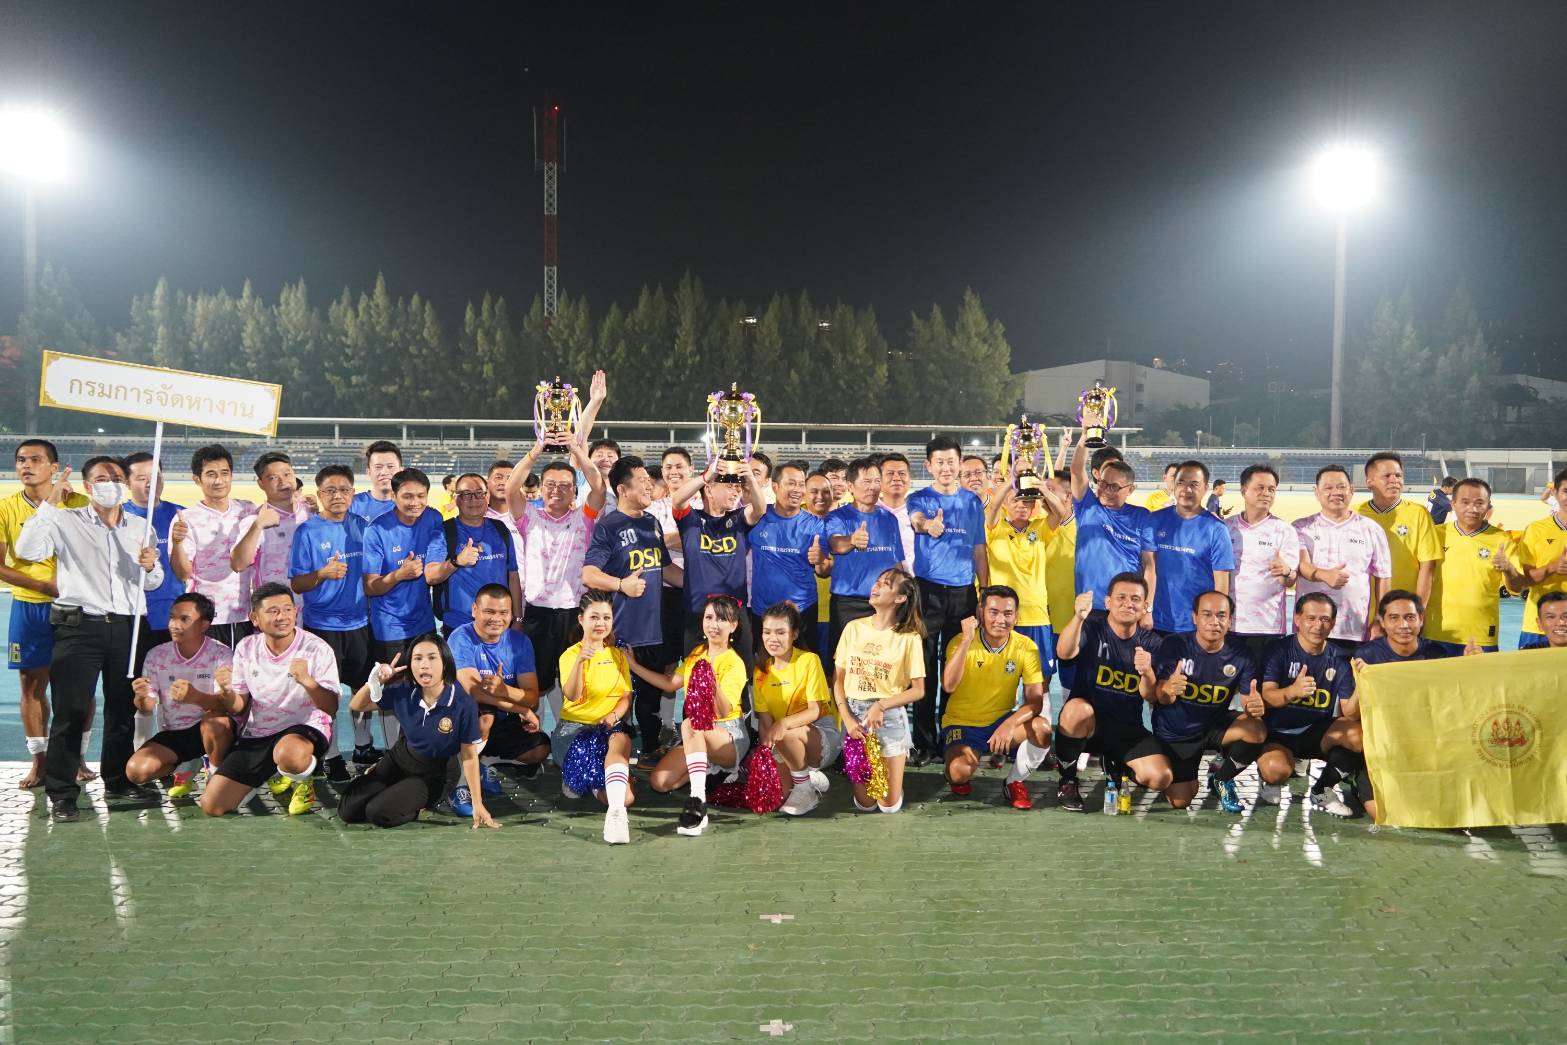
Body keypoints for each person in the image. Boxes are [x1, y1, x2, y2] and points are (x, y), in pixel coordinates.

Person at [16, 455, 164, 820]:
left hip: (129, 628)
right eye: (101, 478)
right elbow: (27, 551)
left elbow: (152, 582)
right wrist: (50, 502)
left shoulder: (141, 526)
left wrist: (150, 568)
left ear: (125, 484)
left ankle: (118, 781)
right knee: (71, 711)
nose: (109, 483)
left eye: (115, 477)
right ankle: (62, 793)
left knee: (122, 709)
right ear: (87, 486)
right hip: (79, 627)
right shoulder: (65, 520)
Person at [198, 583, 340, 818]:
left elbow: (331, 708)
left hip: (304, 729)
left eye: (287, 609)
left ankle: (303, 779)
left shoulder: (317, 648)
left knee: (289, 754)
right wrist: (226, 691)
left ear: (296, 612)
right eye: (273, 611)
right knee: (212, 806)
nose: (282, 616)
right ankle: (269, 775)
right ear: (255, 618)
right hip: (259, 732)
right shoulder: (246, 648)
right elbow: (239, 706)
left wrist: (308, 681)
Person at [1, 439, 89, 789]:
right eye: (21, 460)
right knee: (32, 686)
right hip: (29, 607)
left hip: (75, 605)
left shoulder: (78, 503)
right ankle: (39, 761)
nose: (26, 465)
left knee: (78, 686)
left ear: (54, 467)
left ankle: (77, 757)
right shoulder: (6, 508)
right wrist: (44, 586)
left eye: (36, 459)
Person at [341, 636, 498, 829]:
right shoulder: (404, 691)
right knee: (348, 810)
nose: (424, 665)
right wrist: (374, 683)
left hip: (434, 774)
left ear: (445, 663)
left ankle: (417, 805)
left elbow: (469, 756)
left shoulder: (462, 703)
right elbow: (357, 705)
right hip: (400, 759)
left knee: (377, 812)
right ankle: (398, 792)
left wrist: (477, 803)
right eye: (417, 658)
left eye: (432, 657)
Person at [582, 455, 680, 759]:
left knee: (649, 703)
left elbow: (666, 568)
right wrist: (621, 584)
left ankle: (650, 751)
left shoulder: (652, 523)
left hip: (653, 630)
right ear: (623, 489)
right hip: (622, 634)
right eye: (642, 481)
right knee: (617, 701)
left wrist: (700, 585)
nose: (650, 485)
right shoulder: (608, 526)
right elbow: (589, 574)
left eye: (650, 481)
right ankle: (609, 757)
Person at [506, 438, 605, 728]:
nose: (556, 490)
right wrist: (537, 450)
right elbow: (511, 488)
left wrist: (576, 449)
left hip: (574, 612)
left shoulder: (584, 517)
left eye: (564, 485)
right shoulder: (529, 517)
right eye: (550, 484)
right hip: (538, 612)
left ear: (574, 491)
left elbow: (599, 487)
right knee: (535, 683)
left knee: (575, 679)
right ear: (540, 488)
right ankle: (533, 737)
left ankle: (571, 735)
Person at [1051, 574, 1167, 812]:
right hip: (1089, 725)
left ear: (1145, 606)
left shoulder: (1152, 643)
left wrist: (1147, 672)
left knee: (1160, 778)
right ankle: (1068, 780)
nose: (1128, 604)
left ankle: (1116, 762)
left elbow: (1151, 696)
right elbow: (1064, 653)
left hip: (1127, 727)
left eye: (1135, 599)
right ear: (1107, 602)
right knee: (1076, 710)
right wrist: (1078, 617)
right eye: (1121, 597)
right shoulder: (1092, 626)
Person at [639, 596, 752, 837]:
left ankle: (697, 802)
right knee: (660, 782)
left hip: (727, 734)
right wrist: (631, 664)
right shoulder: (696, 654)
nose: (714, 624)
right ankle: (711, 769)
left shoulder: (735, 662)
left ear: (733, 626)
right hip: (699, 735)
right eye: (709, 617)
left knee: (691, 723)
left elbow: (723, 711)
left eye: (722, 619)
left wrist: (712, 681)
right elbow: (669, 684)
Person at [1145, 591, 1267, 814]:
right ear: (1195, 617)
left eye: (1221, 615)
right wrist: (1168, 690)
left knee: (1256, 729)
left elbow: (1248, 699)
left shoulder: (1241, 653)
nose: (1214, 622)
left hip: (1213, 725)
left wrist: (1253, 706)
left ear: (1230, 620)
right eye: (1207, 614)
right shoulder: (1174, 644)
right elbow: (1159, 695)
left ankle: (1221, 777)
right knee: (1181, 800)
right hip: (1177, 732)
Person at [907, 435, 989, 762]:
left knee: (957, 665)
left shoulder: (972, 502)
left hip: (964, 594)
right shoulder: (919, 498)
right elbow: (916, 521)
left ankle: (952, 736)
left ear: (959, 464)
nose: (945, 467)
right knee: (924, 667)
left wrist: (984, 593)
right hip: (928, 592)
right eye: (939, 462)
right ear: (929, 466)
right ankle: (924, 743)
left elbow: (979, 550)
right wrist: (928, 525)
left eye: (950, 462)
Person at [290, 464, 375, 778]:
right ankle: (332, 753)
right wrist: (322, 574)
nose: (337, 496)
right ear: (320, 494)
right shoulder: (307, 531)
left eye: (343, 490)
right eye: (330, 491)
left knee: (364, 688)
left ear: (353, 493)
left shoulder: (364, 528)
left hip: (361, 624)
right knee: (328, 693)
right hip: (322, 627)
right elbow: (297, 583)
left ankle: (364, 745)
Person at [939, 586, 1052, 809]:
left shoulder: (1026, 647)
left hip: (1001, 721)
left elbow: (1035, 701)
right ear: (981, 612)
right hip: (962, 723)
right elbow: (948, 686)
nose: (1001, 620)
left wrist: (1010, 724)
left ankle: (1014, 781)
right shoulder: (960, 641)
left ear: (1017, 617)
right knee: (959, 773)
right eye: (993, 612)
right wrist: (966, 640)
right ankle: (959, 771)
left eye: (1007, 613)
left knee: (1043, 729)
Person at [1256, 593, 1368, 817]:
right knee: (1275, 770)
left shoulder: (1339, 658)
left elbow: (1349, 712)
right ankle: (1270, 778)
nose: (1318, 625)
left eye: (1325, 619)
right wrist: (1292, 691)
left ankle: (1322, 789)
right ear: (1297, 619)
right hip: (1278, 732)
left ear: (1333, 623)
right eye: (1311, 618)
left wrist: (1362, 685)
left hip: (1316, 732)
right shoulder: (1278, 650)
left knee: (1360, 736)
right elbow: (1266, 698)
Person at [445, 584, 546, 815]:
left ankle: (482, 762)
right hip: (461, 718)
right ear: (474, 610)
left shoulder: (519, 642)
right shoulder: (460, 638)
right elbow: (474, 692)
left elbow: (532, 696)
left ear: (511, 614)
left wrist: (504, 690)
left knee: (539, 749)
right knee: (484, 717)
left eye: (503, 613)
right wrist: (521, 708)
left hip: (503, 716)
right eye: (489, 612)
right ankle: (458, 784)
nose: (497, 619)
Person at [833, 566, 926, 814]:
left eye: (886, 584)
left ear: (900, 598)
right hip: (854, 715)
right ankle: (880, 771)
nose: (876, 586)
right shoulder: (853, 628)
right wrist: (847, 719)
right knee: (865, 804)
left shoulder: (909, 637)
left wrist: (881, 705)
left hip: (888, 715)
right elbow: (838, 680)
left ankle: (893, 770)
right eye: (877, 581)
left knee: (888, 805)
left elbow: (918, 690)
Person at [362, 467, 443, 745]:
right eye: (407, 496)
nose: (415, 502)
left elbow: (435, 567)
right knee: (392, 691)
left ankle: (421, 746)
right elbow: (370, 586)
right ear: (394, 496)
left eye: (421, 496)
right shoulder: (377, 530)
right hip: (390, 625)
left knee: (427, 685)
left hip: (423, 622)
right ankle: (393, 753)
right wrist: (399, 574)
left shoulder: (433, 518)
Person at [667, 457, 768, 677]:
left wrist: (750, 479)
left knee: (741, 678)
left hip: (735, 613)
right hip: (698, 613)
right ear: (709, 490)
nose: (736, 492)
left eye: (738, 487)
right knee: (696, 680)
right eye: (730, 486)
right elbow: (678, 499)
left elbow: (759, 509)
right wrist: (706, 475)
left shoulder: (738, 518)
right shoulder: (691, 520)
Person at [126, 592, 234, 798]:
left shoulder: (221, 654)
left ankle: (216, 774)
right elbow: (146, 707)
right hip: (175, 732)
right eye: (172, 618)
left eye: (184, 619)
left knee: (215, 722)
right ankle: (187, 765)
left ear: (204, 624)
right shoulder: (156, 655)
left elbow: (228, 705)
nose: (174, 625)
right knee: (136, 772)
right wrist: (140, 696)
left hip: (211, 729)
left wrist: (195, 697)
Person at [554, 590, 637, 844]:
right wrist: (580, 662)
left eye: (606, 618)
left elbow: (626, 696)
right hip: (574, 732)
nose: (601, 623)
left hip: (609, 729)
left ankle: (616, 813)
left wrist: (613, 716)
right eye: (594, 617)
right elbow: (572, 695)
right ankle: (589, 779)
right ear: (581, 620)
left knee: (626, 797)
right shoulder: (570, 656)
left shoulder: (618, 655)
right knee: (586, 785)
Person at [753, 602, 839, 816]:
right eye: (767, 632)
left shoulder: (809, 660)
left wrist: (783, 723)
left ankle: (805, 789)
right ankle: (808, 776)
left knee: (787, 733)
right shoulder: (761, 672)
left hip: (819, 734)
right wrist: (766, 754)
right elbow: (765, 722)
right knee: (774, 798)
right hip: (783, 741)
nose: (772, 639)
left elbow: (815, 711)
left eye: (781, 632)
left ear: (795, 634)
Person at [1294, 465, 1392, 649]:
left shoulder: (1371, 529)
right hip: (1310, 629)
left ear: (1351, 490)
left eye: (1341, 487)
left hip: (1354, 628)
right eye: (1328, 488)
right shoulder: (1300, 527)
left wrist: (1381, 619)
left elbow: (1383, 578)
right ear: (1316, 492)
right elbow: (1302, 565)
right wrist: (1325, 575)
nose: (1336, 492)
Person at [170, 444, 258, 647]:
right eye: (211, 474)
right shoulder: (186, 519)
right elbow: (183, 574)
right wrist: (177, 544)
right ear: (197, 479)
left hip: (245, 614)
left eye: (224, 473)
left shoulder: (248, 510)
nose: (219, 480)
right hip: (206, 617)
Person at [1426, 478, 1524, 653]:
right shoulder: (1435, 535)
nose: (1472, 509)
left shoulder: (1501, 539)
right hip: (1436, 631)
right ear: (1453, 504)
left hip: (1481, 635)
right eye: (1465, 502)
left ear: (1488, 507)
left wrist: (1509, 568)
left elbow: (1517, 588)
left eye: (1479, 503)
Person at [1069, 428, 1155, 619]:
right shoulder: (1087, 506)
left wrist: (1147, 609)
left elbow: (1149, 566)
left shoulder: (1142, 516)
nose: (1106, 490)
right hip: (1089, 607)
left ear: (1130, 489)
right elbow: (1076, 470)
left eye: (1114, 487)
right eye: (1103, 484)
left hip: (1126, 608)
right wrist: (1085, 434)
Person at [825, 458, 903, 663]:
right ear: (850, 486)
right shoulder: (837, 517)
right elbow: (835, 544)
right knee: (843, 661)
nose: (873, 487)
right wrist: (852, 540)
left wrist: (904, 592)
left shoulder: (889, 519)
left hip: (884, 604)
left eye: (877, 481)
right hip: (848, 603)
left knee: (881, 661)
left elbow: (897, 563)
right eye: (866, 481)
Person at [423, 472, 521, 635]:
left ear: (487, 497)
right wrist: (456, 562)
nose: (473, 500)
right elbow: (430, 576)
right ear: (456, 499)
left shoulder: (500, 529)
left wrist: (517, 618)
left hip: (500, 624)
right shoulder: (444, 532)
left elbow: (513, 575)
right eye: (466, 494)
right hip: (459, 625)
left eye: (479, 493)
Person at [1224, 464, 1300, 662]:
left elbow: (1290, 580)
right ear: (1244, 491)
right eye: (1260, 488)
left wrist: (1286, 571)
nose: (1266, 493)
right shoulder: (1225, 528)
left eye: (1271, 489)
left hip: (1268, 627)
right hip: (1229, 624)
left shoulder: (1284, 530)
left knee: (1264, 681)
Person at [748, 460, 827, 651]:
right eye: (791, 483)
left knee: (806, 663)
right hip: (762, 610)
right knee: (763, 665)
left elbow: (824, 571)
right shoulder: (757, 518)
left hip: (802, 609)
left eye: (801, 484)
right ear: (775, 487)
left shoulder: (816, 525)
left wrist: (820, 560)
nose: (797, 490)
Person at [1148, 460, 1234, 635]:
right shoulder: (1155, 520)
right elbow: (1148, 568)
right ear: (1174, 485)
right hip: (1156, 621)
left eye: (1194, 484)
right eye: (1181, 483)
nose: (1186, 489)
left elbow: (1221, 584)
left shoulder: (1216, 529)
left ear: (1205, 488)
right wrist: (1146, 610)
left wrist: (1214, 622)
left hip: (1196, 627)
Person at [123, 452, 184, 673]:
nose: (150, 483)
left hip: (174, 616)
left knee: (175, 684)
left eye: (156, 476)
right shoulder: (117, 517)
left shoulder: (181, 515)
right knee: (131, 685)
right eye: (141, 478)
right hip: (131, 617)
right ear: (126, 482)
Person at [229, 452, 312, 612]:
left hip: (312, 610)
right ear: (261, 483)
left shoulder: (311, 513)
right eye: (273, 478)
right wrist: (258, 526)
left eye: (287, 474)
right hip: (274, 612)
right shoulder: (254, 521)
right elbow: (238, 564)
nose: (283, 482)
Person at [1357, 451, 1442, 606]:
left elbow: (1427, 565)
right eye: (1387, 476)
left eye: (1398, 475)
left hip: (1403, 609)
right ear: (1369, 482)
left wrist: (1418, 608)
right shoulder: (1355, 514)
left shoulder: (1418, 513)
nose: (1394, 480)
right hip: (1361, 608)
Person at [1509, 466, 1567, 649]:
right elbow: (1523, 581)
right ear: (1555, 493)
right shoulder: (1536, 530)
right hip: (1539, 627)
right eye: (1566, 491)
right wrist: (1552, 567)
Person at [1354, 590, 1459, 666]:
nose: (1403, 625)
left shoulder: (1437, 654)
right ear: (1382, 622)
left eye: (1410, 617)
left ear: (1421, 619)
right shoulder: (1367, 656)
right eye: (1394, 618)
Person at [804, 470, 837, 655]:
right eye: (814, 491)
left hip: (834, 609)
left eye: (826, 491)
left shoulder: (842, 521)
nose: (820, 497)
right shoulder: (794, 522)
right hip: (803, 608)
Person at [878, 452, 915, 570]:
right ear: (879, 480)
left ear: (910, 480)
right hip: (874, 580)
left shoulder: (919, 512)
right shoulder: (866, 510)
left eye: (902, 473)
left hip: (912, 579)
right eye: (890, 473)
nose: (896, 478)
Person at [351, 440, 402, 521]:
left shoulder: (412, 506)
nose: (384, 472)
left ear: (401, 471)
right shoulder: (352, 504)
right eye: (378, 467)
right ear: (368, 472)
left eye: (390, 466)